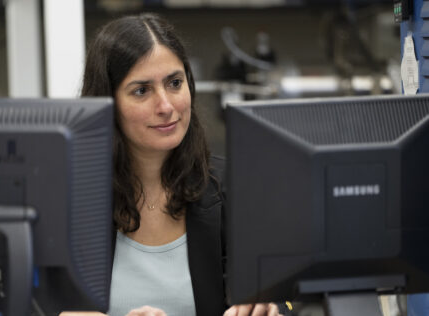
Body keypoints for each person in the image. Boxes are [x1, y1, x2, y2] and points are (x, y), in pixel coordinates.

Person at [62, 13, 283, 316]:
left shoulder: (236, 185)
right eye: (142, 90)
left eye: (175, 83)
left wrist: (270, 309)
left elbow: (286, 297)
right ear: (107, 104)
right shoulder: (68, 200)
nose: (166, 106)